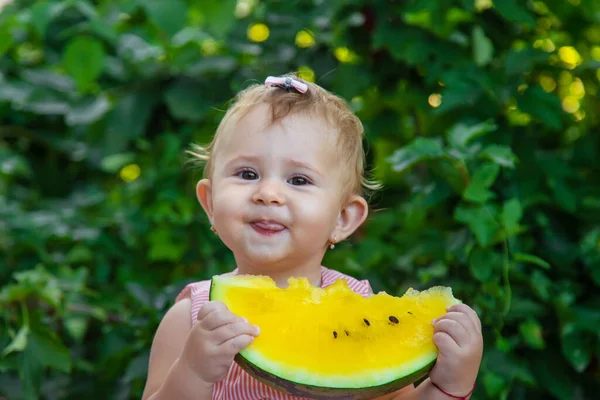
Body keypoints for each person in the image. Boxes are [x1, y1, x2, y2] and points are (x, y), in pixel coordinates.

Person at [141, 73, 483, 400]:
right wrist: (193, 372)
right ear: (210, 203)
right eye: (247, 173)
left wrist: (450, 385)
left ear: (343, 218)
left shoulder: (363, 310)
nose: (269, 193)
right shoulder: (190, 319)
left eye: (299, 180)